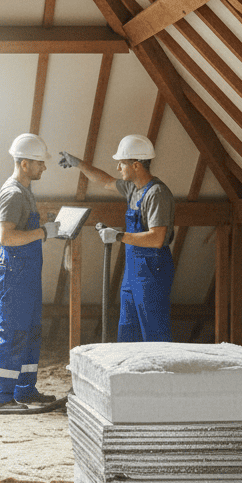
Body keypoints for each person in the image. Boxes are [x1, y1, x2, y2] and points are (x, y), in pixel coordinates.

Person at [59, 134, 175, 343]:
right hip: (133, 272)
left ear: (137, 165)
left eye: (122, 163)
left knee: (154, 333)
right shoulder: (133, 188)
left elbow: (157, 238)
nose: (118, 167)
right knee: (128, 330)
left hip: (153, 271)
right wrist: (78, 163)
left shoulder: (157, 194)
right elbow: (104, 181)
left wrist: (119, 236)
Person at [0, 134, 61, 410]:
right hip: (15, 272)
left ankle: (25, 389)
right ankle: (2, 397)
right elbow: (6, 237)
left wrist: (43, 229)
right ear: (23, 163)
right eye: (40, 163)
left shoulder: (25, 191)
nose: (44, 167)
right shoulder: (12, 194)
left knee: (31, 330)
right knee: (14, 332)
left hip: (27, 272)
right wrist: (43, 232)